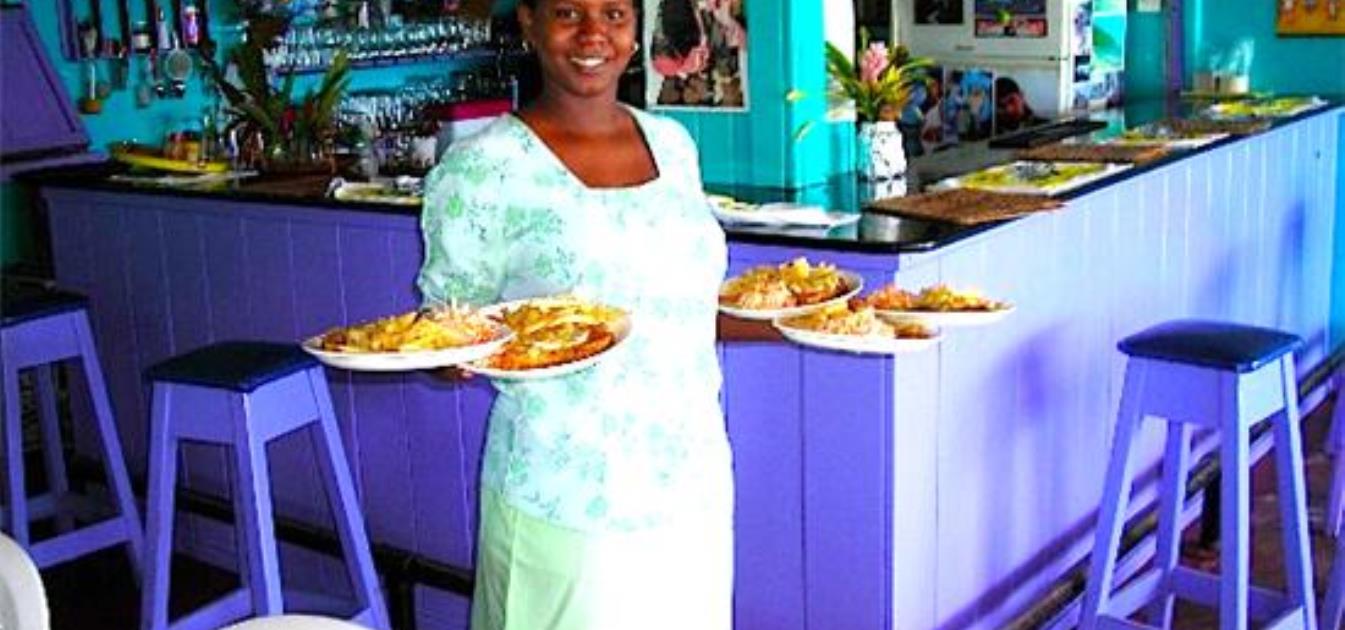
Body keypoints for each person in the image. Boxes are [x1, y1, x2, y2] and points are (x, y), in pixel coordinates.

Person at [416, 0, 735, 628]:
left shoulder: (672, 144)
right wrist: (449, 353)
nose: (593, 34)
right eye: (567, 12)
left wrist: (808, 318)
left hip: (690, 481)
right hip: (563, 499)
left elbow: (680, 308)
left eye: (614, 14)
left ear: (636, 30)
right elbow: (447, 330)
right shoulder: (482, 168)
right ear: (529, 24)